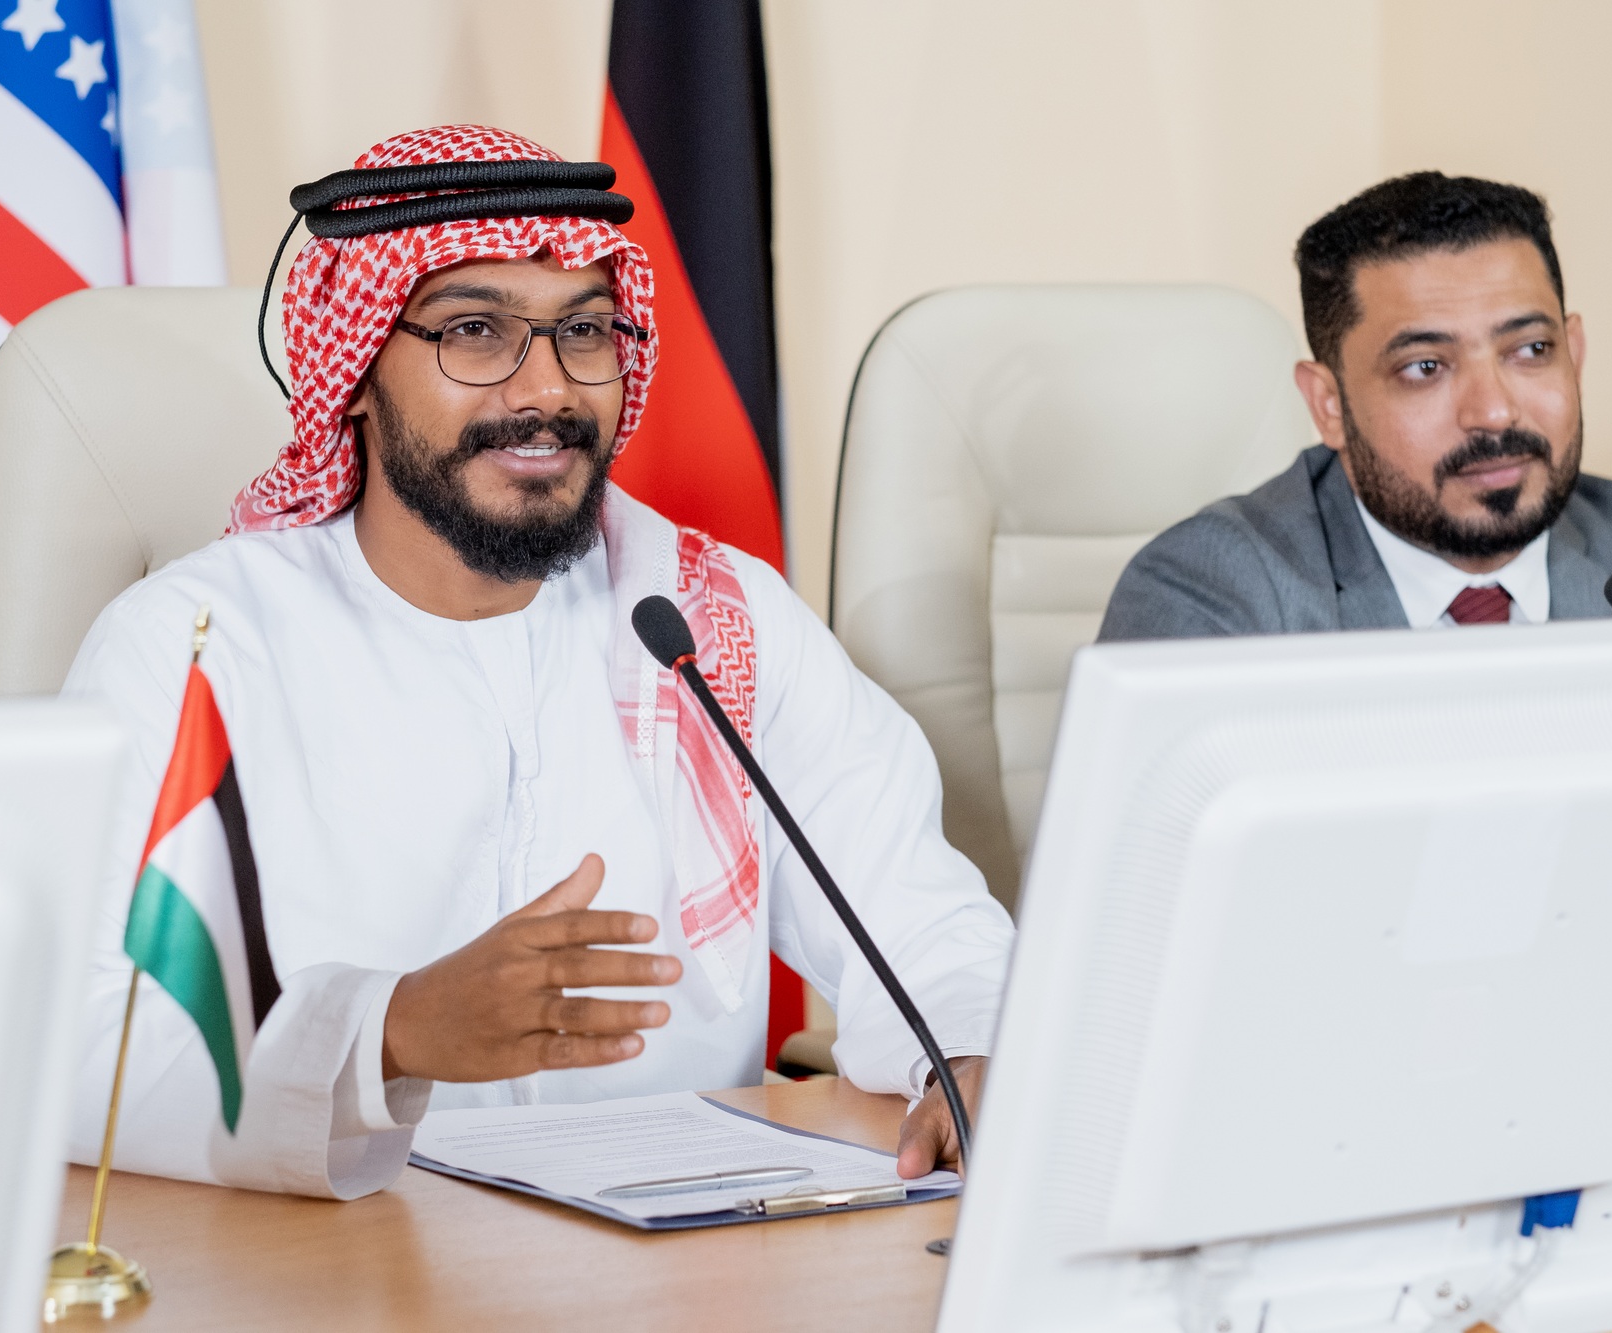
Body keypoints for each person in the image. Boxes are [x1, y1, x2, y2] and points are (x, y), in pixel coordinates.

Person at [62, 125, 1012, 1198]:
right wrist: (389, 1031)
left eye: (585, 332)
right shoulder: (196, 645)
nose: (548, 391)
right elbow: (72, 1040)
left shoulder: (708, 617)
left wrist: (973, 1051)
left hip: (684, 1257)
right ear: (356, 367)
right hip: (342, 1254)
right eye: (476, 330)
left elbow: (919, 919)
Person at [1099, 171, 1612, 1081]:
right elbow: (1175, 943)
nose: (1494, 411)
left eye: (1529, 351)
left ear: (1575, 352)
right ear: (1328, 403)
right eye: (1425, 367)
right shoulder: (1217, 593)